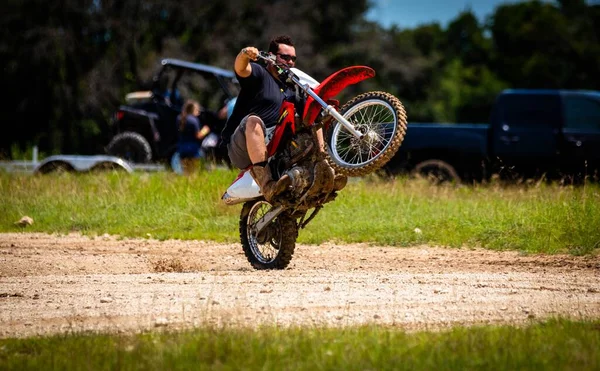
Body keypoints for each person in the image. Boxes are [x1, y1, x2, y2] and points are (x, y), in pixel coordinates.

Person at [220, 35, 323, 202]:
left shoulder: (291, 88)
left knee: (312, 122)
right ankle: (266, 184)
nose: (290, 62)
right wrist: (245, 54)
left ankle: (323, 168)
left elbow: (310, 117)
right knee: (253, 120)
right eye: (285, 57)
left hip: (274, 146)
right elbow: (241, 68)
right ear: (272, 56)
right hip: (243, 145)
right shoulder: (260, 74)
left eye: (293, 59)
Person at [176, 99, 210, 175]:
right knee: (194, 172)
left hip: (182, 149)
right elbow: (198, 135)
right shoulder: (193, 120)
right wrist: (205, 130)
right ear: (193, 109)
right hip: (193, 150)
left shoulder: (179, 118)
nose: (198, 112)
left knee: (186, 173)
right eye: (197, 109)